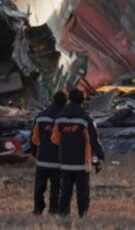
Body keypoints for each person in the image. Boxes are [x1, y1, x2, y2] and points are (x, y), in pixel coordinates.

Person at [51, 89, 105, 217]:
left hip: (65, 162)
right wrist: (100, 155)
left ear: (69, 99)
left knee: (65, 191)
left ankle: (63, 215)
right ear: (82, 101)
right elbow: (93, 139)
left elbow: (54, 138)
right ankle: (83, 215)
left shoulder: (60, 118)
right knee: (82, 192)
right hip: (82, 164)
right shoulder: (85, 119)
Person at [31, 91, 67, 215]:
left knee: (39, 187)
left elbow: (34, 139)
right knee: (57, 188)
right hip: (59, 160)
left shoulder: (41, 116)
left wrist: (35, 154)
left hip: (42, 159)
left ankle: (38, 209)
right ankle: (53, 210)